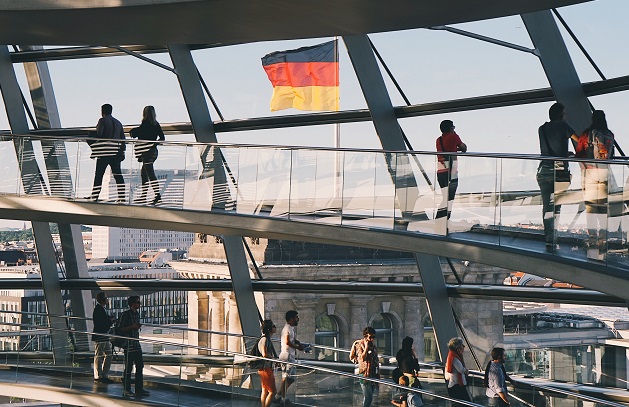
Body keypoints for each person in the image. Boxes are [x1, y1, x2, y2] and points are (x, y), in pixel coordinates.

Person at [536, 102, 580, 251]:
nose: (566, 116)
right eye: (565, 113)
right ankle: (553, 238)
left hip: (543, 170)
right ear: (561, 115)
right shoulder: (563, 126)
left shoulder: (541, 129)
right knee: (557, 207)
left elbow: (549, 151)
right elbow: (579, 141)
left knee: (547, 206)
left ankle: (549, 239)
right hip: (559, 170)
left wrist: (562, 153)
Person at [575, 110, 614, 260]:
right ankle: (603, 241)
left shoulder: (587, 134)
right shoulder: (609, 135)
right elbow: (612, 156)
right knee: (603, 209)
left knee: (591, 209)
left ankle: (592, 241)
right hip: (604, 175)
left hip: (590, 175)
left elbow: (579, 154)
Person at [88, 103, 126, 202]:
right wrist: (122, 152)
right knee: (118, 175)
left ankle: (95, 195)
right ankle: (122, 197)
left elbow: (99, 134)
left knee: (99, 174)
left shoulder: (102, 121)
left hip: (104, 152)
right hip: (116, 152)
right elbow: (123, 139)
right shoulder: (118, 123)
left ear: (102, 111)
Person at [130, 105, 165, 205]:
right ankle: (144, 196)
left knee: (149, 173)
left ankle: (157, 196)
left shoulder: (145, 123)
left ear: (144, 113)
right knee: (145, 173)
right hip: (153, 151)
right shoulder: (156, 124)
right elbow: (162, 138)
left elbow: (139, 134)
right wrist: (154, 143)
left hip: (147, 152)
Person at [117, 295, 149, 397]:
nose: (139, 304)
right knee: (129, 367)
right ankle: (127, 389)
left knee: (140, 366)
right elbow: (119, 328)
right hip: (129, 344)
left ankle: (138, 388)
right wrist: (132, 327)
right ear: (132, 304)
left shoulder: (137, 314)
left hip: (136, 343)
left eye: (139, 302)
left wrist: (135, 327)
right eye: (137, 302)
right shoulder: (125, 314)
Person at [436, 120, 467, 220]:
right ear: (451, 128)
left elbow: (446, 149)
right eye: (453, 127)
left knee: (445, 198)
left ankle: (439, 220)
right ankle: (443, 221)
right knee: (450, 200)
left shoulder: (438, 140)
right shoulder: (454, 136)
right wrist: (455, 134)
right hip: (451, 172)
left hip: (440, 172)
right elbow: (464, 148)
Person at [276, 310, 304, 406]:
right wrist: (297, 347)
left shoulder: (291, 328)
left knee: (291, 378)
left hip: (291, 356)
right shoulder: (287, 328)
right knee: (286, 377)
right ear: (291, 319)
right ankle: (283, 398)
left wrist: (297, 342)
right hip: (286, 356)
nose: (297, 319)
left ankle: (279, 395)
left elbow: (291, 339)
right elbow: (287, 341)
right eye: (296, 317)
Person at [350, 326, 379, 407]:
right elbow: (362, 358)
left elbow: (375, 359)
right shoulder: (360, 345)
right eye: (370, 337)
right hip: (364, 373)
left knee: (370, 396)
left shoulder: (373, 346)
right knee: (368, 396)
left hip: (373, 373)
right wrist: (366, 348)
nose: (372, 339)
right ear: (365, 336)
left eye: (373, 337)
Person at [92, 291, 115, 384]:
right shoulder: (99, 309)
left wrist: (110, 320)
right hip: (100, 336)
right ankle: (99, 376)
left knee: (107, 354)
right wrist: (111, 321)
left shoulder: (101, 309)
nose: (107, 299)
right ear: (103, 299)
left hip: (103, 336)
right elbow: (101, 323)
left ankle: (103, 375)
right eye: (106, 298)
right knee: (100, 355)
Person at [445, 337, 470, 406]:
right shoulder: (455, 358)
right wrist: (466, 371)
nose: (464, 347)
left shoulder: (451, 356)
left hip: (455, 385)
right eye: (462, 345)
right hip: (457, 386)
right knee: (467, 404)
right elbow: (461, 369)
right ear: (458, 348)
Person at [258, 319, 277, 407]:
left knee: (265, 390)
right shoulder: (265, 339)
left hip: (263, 368)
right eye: (273, 326)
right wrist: (274, 359)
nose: (275, 327)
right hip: (266, 369)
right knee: (273, 391)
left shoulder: (264, 338)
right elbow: (264, 353)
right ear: (269, 329)